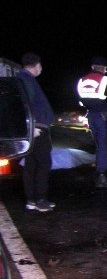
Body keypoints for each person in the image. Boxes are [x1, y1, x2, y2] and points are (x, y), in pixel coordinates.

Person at [16, 52, 57, 211]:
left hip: (33, 128)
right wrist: (32, 128)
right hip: (37, 129)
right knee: (43, 163)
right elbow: (26, 105)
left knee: (31, 164)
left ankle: (31, 200)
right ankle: (41, 199)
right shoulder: (27, 80)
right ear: (37, 65)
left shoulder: (23, 78)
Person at [76, 56, 107, 188]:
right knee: (104, 145)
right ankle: (102, 175)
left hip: (90, 114)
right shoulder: (106, 80)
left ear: (92, 67)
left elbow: (80, 100)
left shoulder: (81, 80)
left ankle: (99, 170)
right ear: (104, 68)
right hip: (102, 115)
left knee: (98, 144)